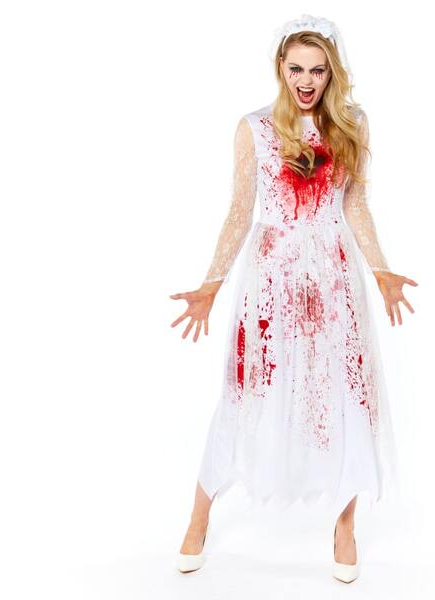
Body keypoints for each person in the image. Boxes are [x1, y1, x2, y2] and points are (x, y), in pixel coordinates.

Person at [169, 14, 418, 583]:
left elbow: (355, 205)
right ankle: (198, 517)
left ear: (333, 73)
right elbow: (240, 211)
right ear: (280, 67)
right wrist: (211, 285)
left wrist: (381, 270)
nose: (306, 80)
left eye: (318, 70)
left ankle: (345, 526)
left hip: (332, 276)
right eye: (297, 68)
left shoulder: (351, 124)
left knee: (348, 394)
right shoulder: (255, 128)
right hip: (273, 276)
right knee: (247, 393)